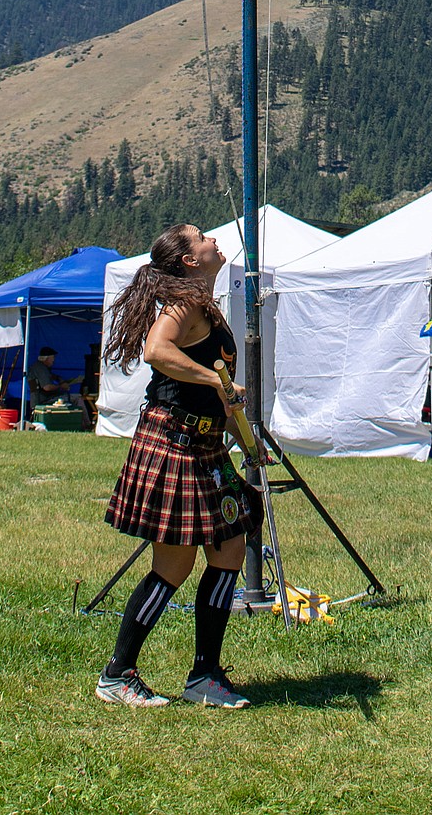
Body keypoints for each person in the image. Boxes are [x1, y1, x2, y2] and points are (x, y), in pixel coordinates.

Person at [96, 223, 263, 710]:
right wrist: (215, 381)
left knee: (230, 546)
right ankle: (117, 674)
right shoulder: (182, 306)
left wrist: (244, 439)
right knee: (174, 565)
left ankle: (204, 676)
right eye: (201, 238)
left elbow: (220, 389)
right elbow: (157, 351)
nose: (212, 240)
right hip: (174, 442)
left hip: (208, 443)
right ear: (191, 260)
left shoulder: (207, 305)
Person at [26, 347, 87, 418]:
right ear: (46, 358)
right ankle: (86, 423)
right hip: (44, 400)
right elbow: (47, 387)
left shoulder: (38, 367)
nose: (53, 360)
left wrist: (58, 378)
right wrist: (61, 386)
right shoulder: (41, 369)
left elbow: (50, 376)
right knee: (78, 397)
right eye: (52, 358)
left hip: (41, 399)